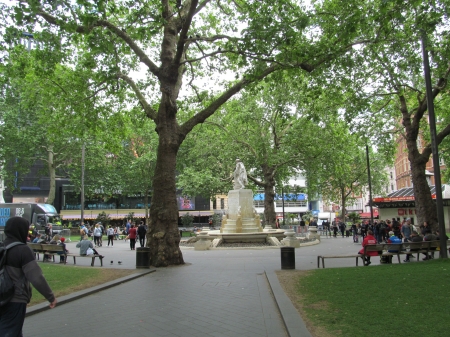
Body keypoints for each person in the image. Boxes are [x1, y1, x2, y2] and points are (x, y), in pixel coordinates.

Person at [0, 217, 57, 336]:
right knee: (10, 331)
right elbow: (36, 277)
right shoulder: (23, 250)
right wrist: (50, 297)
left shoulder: (2, 247)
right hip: (15, 298)